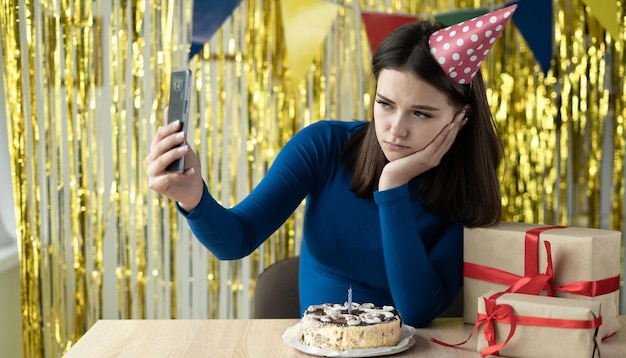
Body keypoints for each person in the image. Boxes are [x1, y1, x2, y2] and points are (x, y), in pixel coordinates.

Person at [146, 5, 516, 327]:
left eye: (421, 113)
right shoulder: (324, 145)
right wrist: (194, 198)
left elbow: (417, 310)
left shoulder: (467, 188)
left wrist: (392, 185)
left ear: (460, 119)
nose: (395, 129)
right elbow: (236, 240)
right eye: (386, 104)